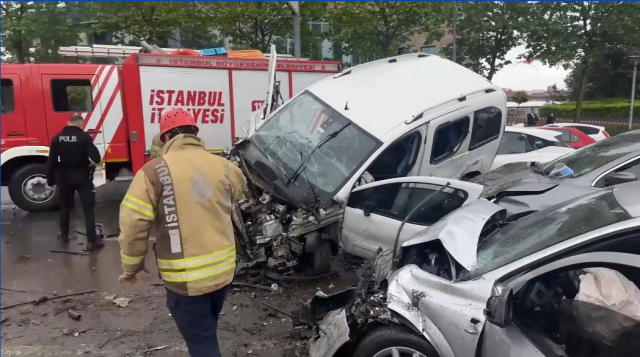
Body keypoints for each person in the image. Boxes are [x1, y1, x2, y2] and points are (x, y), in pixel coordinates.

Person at [117, 108, 247, 357]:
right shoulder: (224, 166)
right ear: (194, 133)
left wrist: (131, 267)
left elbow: (134, 224)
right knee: (206, 330)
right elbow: (240, 195)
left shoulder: (153, 172)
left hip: (186, 280)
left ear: (166, 138)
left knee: (202, 345)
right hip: (222, 272)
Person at [46, 113, 103, 251]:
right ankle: (91, 242)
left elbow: (51, 161)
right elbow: (96, 158)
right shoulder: (84, 137)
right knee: (88, 210)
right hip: (82, 177)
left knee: (65, 208)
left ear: (68, 122)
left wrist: (50, 179)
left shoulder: (56, 138)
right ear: (81, 124)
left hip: (64, 178)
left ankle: (64, 236)